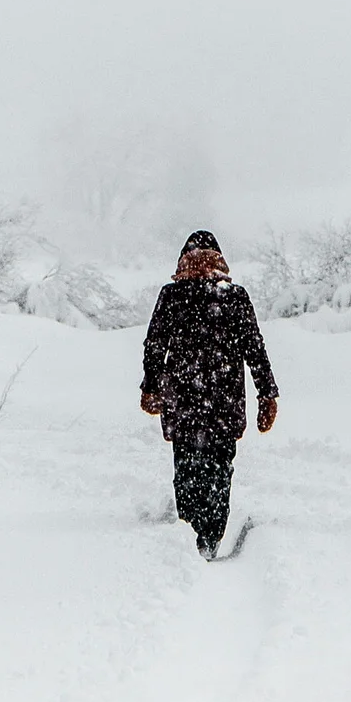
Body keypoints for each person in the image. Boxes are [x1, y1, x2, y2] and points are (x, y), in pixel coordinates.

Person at [140, 231, 278, 559]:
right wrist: (266, 393)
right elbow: (254, 347)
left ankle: (191, 536)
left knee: (187, 466)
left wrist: (150, 386)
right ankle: (211, 537)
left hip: (183, 400)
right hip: (224, 400)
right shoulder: (234, 296)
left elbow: (155, 345)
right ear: (220, 260)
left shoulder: (173, 295)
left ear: (183, 260)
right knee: (219, 468)